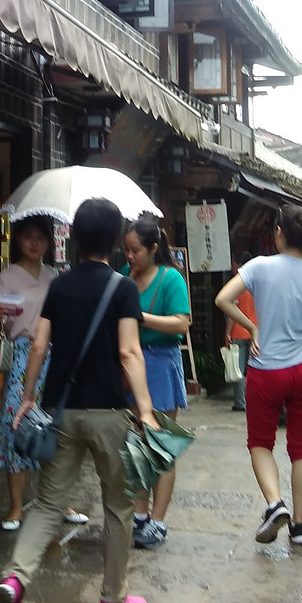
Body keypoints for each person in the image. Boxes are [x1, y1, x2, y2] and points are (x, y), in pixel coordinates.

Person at [0, 198, 159, 603]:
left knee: (48, 505)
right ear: (116, 242)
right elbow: (128, 351)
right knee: (119, 507)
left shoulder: (59, 287)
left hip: (60, 411)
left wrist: (28, 397)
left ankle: (14, 582)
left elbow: (41, 345)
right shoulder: (122, 288)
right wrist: (146, 408)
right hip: (109, 413)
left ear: (77, 238)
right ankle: (111, 600)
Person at [215, 204, 302, 547]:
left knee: (260, 442)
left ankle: (274, 504)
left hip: (266, 368)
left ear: (278, 234)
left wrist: (252, 326)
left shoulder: (258, 266)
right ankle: (299, 526)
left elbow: (222, 298)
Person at [0, 216, 88, 532]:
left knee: (59, 428)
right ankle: (15, 506)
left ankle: (59, 501)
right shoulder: (6, 278)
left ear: (48, 242)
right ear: (18, 240)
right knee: (16, 425)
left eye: (40, 237)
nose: (34, 243)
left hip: (55, 357)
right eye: (28, 236)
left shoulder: (56, 277)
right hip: (21, 357)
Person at [120, 213, 190, 550]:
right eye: (127, 250)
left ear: (154, 249)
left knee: (161, 447)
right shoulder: (123, 277)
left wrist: (140, 315)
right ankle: (140, 515)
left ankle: (158, 521)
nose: (130, 256)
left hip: (160, 365)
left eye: (136, 250)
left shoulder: (171, 279)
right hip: (129, 365)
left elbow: (181, 324)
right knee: (136, 446)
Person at [223, 252, 255, 413]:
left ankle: (240, 403)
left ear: (239, 265)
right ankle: (254, 400)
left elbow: (232, 313)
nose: (231, 267)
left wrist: (227, 333)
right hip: (255, 333)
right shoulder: (256, 283)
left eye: (233, 263)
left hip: (238, 333)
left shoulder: (237, 284)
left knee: (238, 371)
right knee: (254, 370)